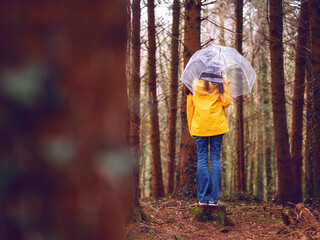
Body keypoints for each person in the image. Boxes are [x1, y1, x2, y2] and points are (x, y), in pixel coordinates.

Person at [186, 72, 231, 206]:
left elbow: (190, 108)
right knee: (215, 159)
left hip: (200, 126)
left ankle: (203, 198)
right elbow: (226, 102)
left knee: (202, 159)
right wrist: (225, 83)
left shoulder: (193, 83)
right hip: (217, 125)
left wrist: (191, 128)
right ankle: (213, 199)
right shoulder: (220, 82)